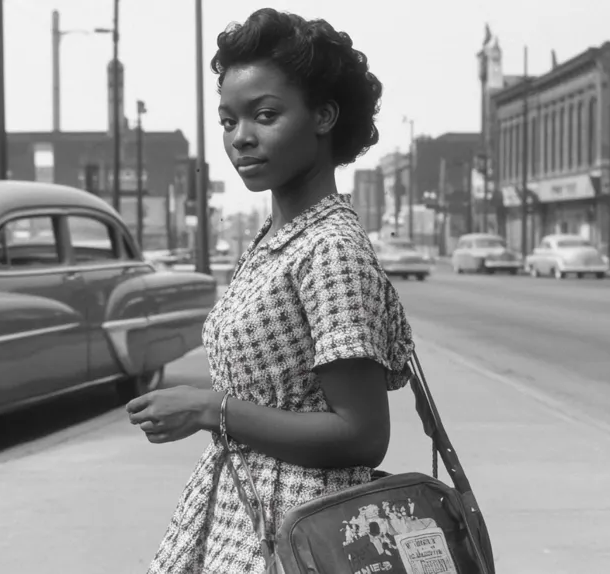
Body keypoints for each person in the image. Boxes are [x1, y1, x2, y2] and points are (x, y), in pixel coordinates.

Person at [125, 8, 414, 573]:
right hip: (242, 508)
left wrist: (211, 408)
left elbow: (360, 435)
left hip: (300, 528)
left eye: (265, 114)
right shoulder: (277, 239)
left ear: (324, 116)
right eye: (228, 121)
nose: (241, 138)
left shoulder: (330, 249)